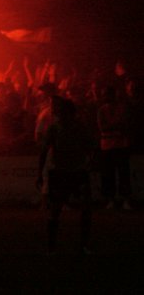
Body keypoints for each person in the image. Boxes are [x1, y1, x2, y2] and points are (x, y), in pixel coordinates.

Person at [37, 96, 95, 255]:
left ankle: (82, 245)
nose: (58, 113)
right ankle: (52, 247)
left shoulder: (78, 128)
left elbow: (91, 147)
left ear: (69, 112)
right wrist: (40, 174)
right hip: (61, 173)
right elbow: (43, 152)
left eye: (61, 111)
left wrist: (90, 161)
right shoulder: (54, 129)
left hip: (76, 171)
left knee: (85, 209)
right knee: (55, 210)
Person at [97, 85, 132, 210]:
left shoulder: (122, 108)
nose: (106, 97)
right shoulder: (102, 110)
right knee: (108, 174)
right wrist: (117, 126)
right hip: (108, 146)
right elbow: (102, 127)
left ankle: (125, 199)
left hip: (120, 145)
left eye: (108, 94)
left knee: (123, 174)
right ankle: (110, 200)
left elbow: (125, 125)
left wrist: (112, 126)